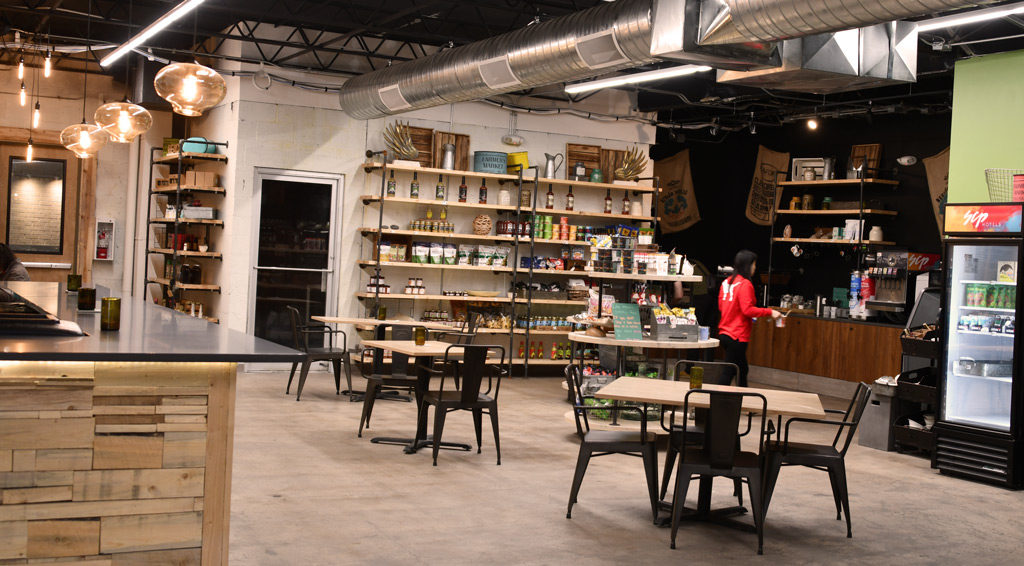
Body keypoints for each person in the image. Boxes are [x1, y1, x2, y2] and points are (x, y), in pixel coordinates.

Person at [718, 250, 780, 387]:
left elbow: (722, 307)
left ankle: (741, 402)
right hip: (737, 335)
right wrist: (770, 312)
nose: (755, 268)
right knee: (729, 372)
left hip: (725, 333)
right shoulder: (745, 284)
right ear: (747, 265)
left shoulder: (725, 283)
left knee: (741, 369)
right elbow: (748, 310)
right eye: (754, 264)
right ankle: (716, 403)